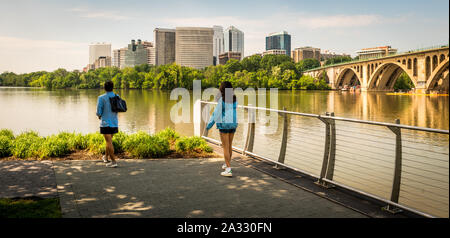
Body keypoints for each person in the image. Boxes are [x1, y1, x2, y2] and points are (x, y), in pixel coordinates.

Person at [206, 81, 238, 177]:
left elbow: (216, 114)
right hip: (233, 124)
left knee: (225, 147)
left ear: (222, 89)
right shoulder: (234, 99)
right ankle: (227, 164)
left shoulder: (221, 100)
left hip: (224, 125)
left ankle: (228, 170)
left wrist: (209, 126)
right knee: (229, 146)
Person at [96, 81, 119, 168]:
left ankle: (114, 162)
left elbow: (98, 112)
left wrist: (99, 116)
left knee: (109, 142)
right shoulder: (117, 96)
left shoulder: (101, 98)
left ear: (104, 88)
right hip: (114, 123)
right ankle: (105, 157)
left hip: (105, 123)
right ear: (113, 87)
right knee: (109, 141)